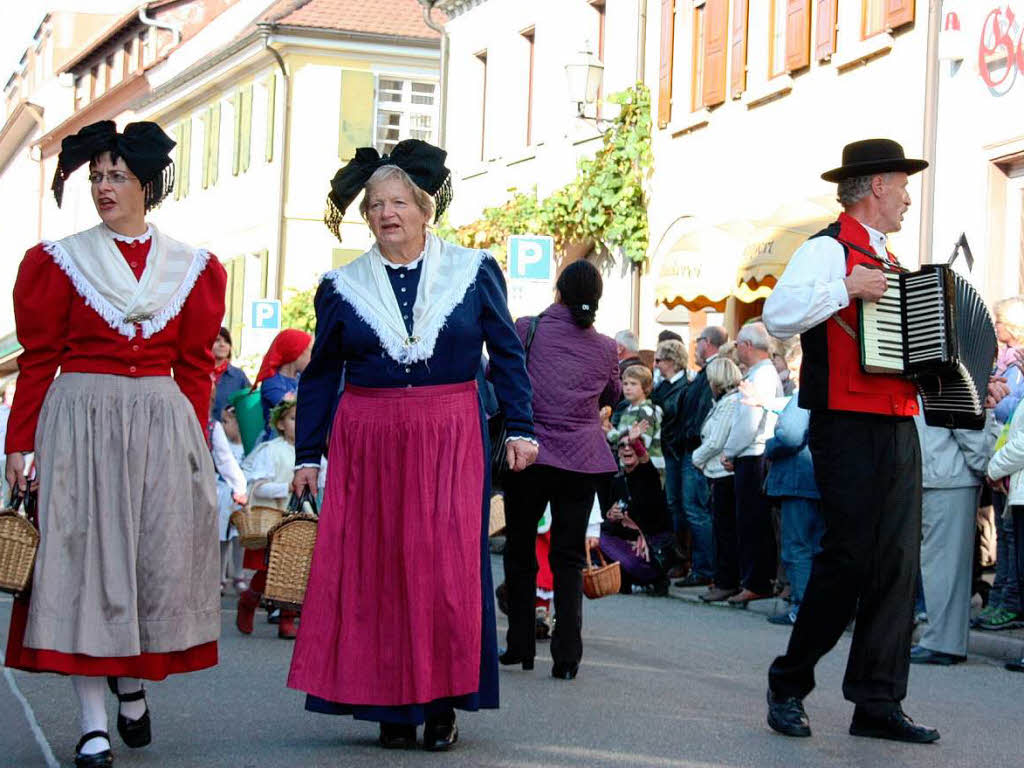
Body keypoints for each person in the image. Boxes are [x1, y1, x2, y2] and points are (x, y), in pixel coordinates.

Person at [285, 140, 537, 751]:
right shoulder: (342, 285)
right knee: (378, 567)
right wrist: (307, 456)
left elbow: (505, 352)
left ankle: (443, 701)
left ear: (425, 209)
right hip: (367, 437)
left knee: (445, 567)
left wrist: (522, 427)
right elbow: (320, 376)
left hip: (451, 431)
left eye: (399, 201)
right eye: (375, 204)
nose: (385, 212)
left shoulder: (472, 271)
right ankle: (393, 706)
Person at [3, 120, 225, 767]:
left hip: (161, 423)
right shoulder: (59, 260)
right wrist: (21, 444)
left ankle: (131, 683)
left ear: (146, 185)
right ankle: (92, 722)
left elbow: (193, 368)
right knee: (82, 566)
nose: (103, 186)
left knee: (149, 561)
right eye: (96, 175)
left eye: (117, 176)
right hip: (81, 423)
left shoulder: (191, 267)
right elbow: (39, 360)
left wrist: (196, 445)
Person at [762, 138, 941, 743]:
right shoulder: (827, 251)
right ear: (878, 187)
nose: (910, 198)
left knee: (896, 565)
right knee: (849, 559)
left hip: (896, 420)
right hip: (844, 420)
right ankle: (788, 682)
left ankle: (877, 702)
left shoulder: (892, 260)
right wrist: (846, 289)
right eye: (903, 185)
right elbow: (778, 316)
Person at [502, 259, 620, 682]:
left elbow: (504, 376)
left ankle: (519, 644)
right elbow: (614, 392)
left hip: (529, 454)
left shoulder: (527, 328)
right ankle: (567, 656)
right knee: (568, 557)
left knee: (519, 550)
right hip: (581, 459)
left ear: (557, 291)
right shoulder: (607, 347)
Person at [911, 400, 996, 665]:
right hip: (945, 475)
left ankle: (943, 642)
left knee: (943, 565)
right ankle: (944, 641)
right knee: (942, 563)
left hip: (948, 476)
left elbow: (967, 426)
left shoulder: (948, 378)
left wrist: (987, 466)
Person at [721, 322, 781, 606]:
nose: (737, 351)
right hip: (754, 452)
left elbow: (749, 421)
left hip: (753, 453)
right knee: (753, 521)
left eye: (738, 345)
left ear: (747, 345)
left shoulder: (760, 376)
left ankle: (756, 581)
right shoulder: (763, 373)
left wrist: (730, 451)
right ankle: (758, 579)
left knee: (751, 522)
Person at [975, 297, 1024, 631]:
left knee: (1012, 541)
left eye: (998, 320)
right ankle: (1004, 600)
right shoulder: (1005, 364)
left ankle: (1010, 603)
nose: (995, 327)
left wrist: (994, 468)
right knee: (1008, 540)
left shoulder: (1015, 368)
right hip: (1003, 460)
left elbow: (1011, 416)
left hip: (1009, 465)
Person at [237, 395, 302, 639]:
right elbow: (258, 485)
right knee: (269, 569)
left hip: (299, 520)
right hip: (275, 518)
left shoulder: (311, 453)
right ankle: (249, 601)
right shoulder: (270, 451)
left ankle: (287, 619)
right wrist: (285, 487)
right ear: (281, 423)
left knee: (294, 571)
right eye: (294, 418)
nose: (299, 422)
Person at [598, 424, 675, 594]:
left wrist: (636, 441)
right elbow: (611, 524)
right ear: (618, 453)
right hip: (631, 545)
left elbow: (644, 458)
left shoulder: (649, 473)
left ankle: (656, 577)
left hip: (655, 544)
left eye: (631, 445)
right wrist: (612, 516)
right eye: (622, 446)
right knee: (597, 535)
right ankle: (631, 578)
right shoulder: (617, 481)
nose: (627, 448)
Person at [677, 326, 727, 586]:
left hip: (698, 451)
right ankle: (703, 567)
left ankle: (704, 568)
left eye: (697, 342)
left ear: (706, 342)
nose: (694, 347)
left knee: (697, 510)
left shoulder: (713, 371)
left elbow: (701, 414)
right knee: (696, 510)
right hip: (695, 449)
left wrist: (694, 444)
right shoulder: (704, 372)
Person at [691, 357, 743, 602]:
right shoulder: (723, 402)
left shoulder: (730, 404)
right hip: (715, 472)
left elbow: (715, 441)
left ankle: (726, 581)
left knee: (725, 531)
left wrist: (696, 458)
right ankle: (721, 579)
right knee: (720, 530)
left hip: (723, 474)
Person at [651, 339, 690, 578]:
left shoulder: (684, 386)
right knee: (668, 505)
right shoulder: (663, 386)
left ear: (672, 361)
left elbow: (676, 420)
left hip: (673, 452)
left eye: (659, 360)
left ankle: (681, 558)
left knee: (677, 506)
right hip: (662, 451)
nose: (655, 365)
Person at [211, 403, 248, 595]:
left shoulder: (247, 446)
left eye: (227, 421)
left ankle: (239, 574)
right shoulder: (222, 443)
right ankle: (219, 576)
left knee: (239, 538)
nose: (224, 426)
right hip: (223, 495)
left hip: (239, 497)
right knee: (221, 537)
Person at [252, 328, 312, 441]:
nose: (312, 356)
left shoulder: (301, 379)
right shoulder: (271, 382)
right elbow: (291, 408)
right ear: (296, 353)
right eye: (309, 351)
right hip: (277, 443)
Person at [605, 365, 663, 469]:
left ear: (645, 388)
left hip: (646, 471)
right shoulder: (627, 410)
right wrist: (610, 431)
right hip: (629, 468)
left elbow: (642, 444)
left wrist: (611, 434)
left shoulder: (647, 411)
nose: (628, 388)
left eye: (633, 384)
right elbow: (624, 438)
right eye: (625, 384)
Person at [211, 327, 250, 421]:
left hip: (228, 433)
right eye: (217, 340)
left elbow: (249, 405)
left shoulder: (239, 376)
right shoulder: (199, 374)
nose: (222, 344)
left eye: (227, 341)